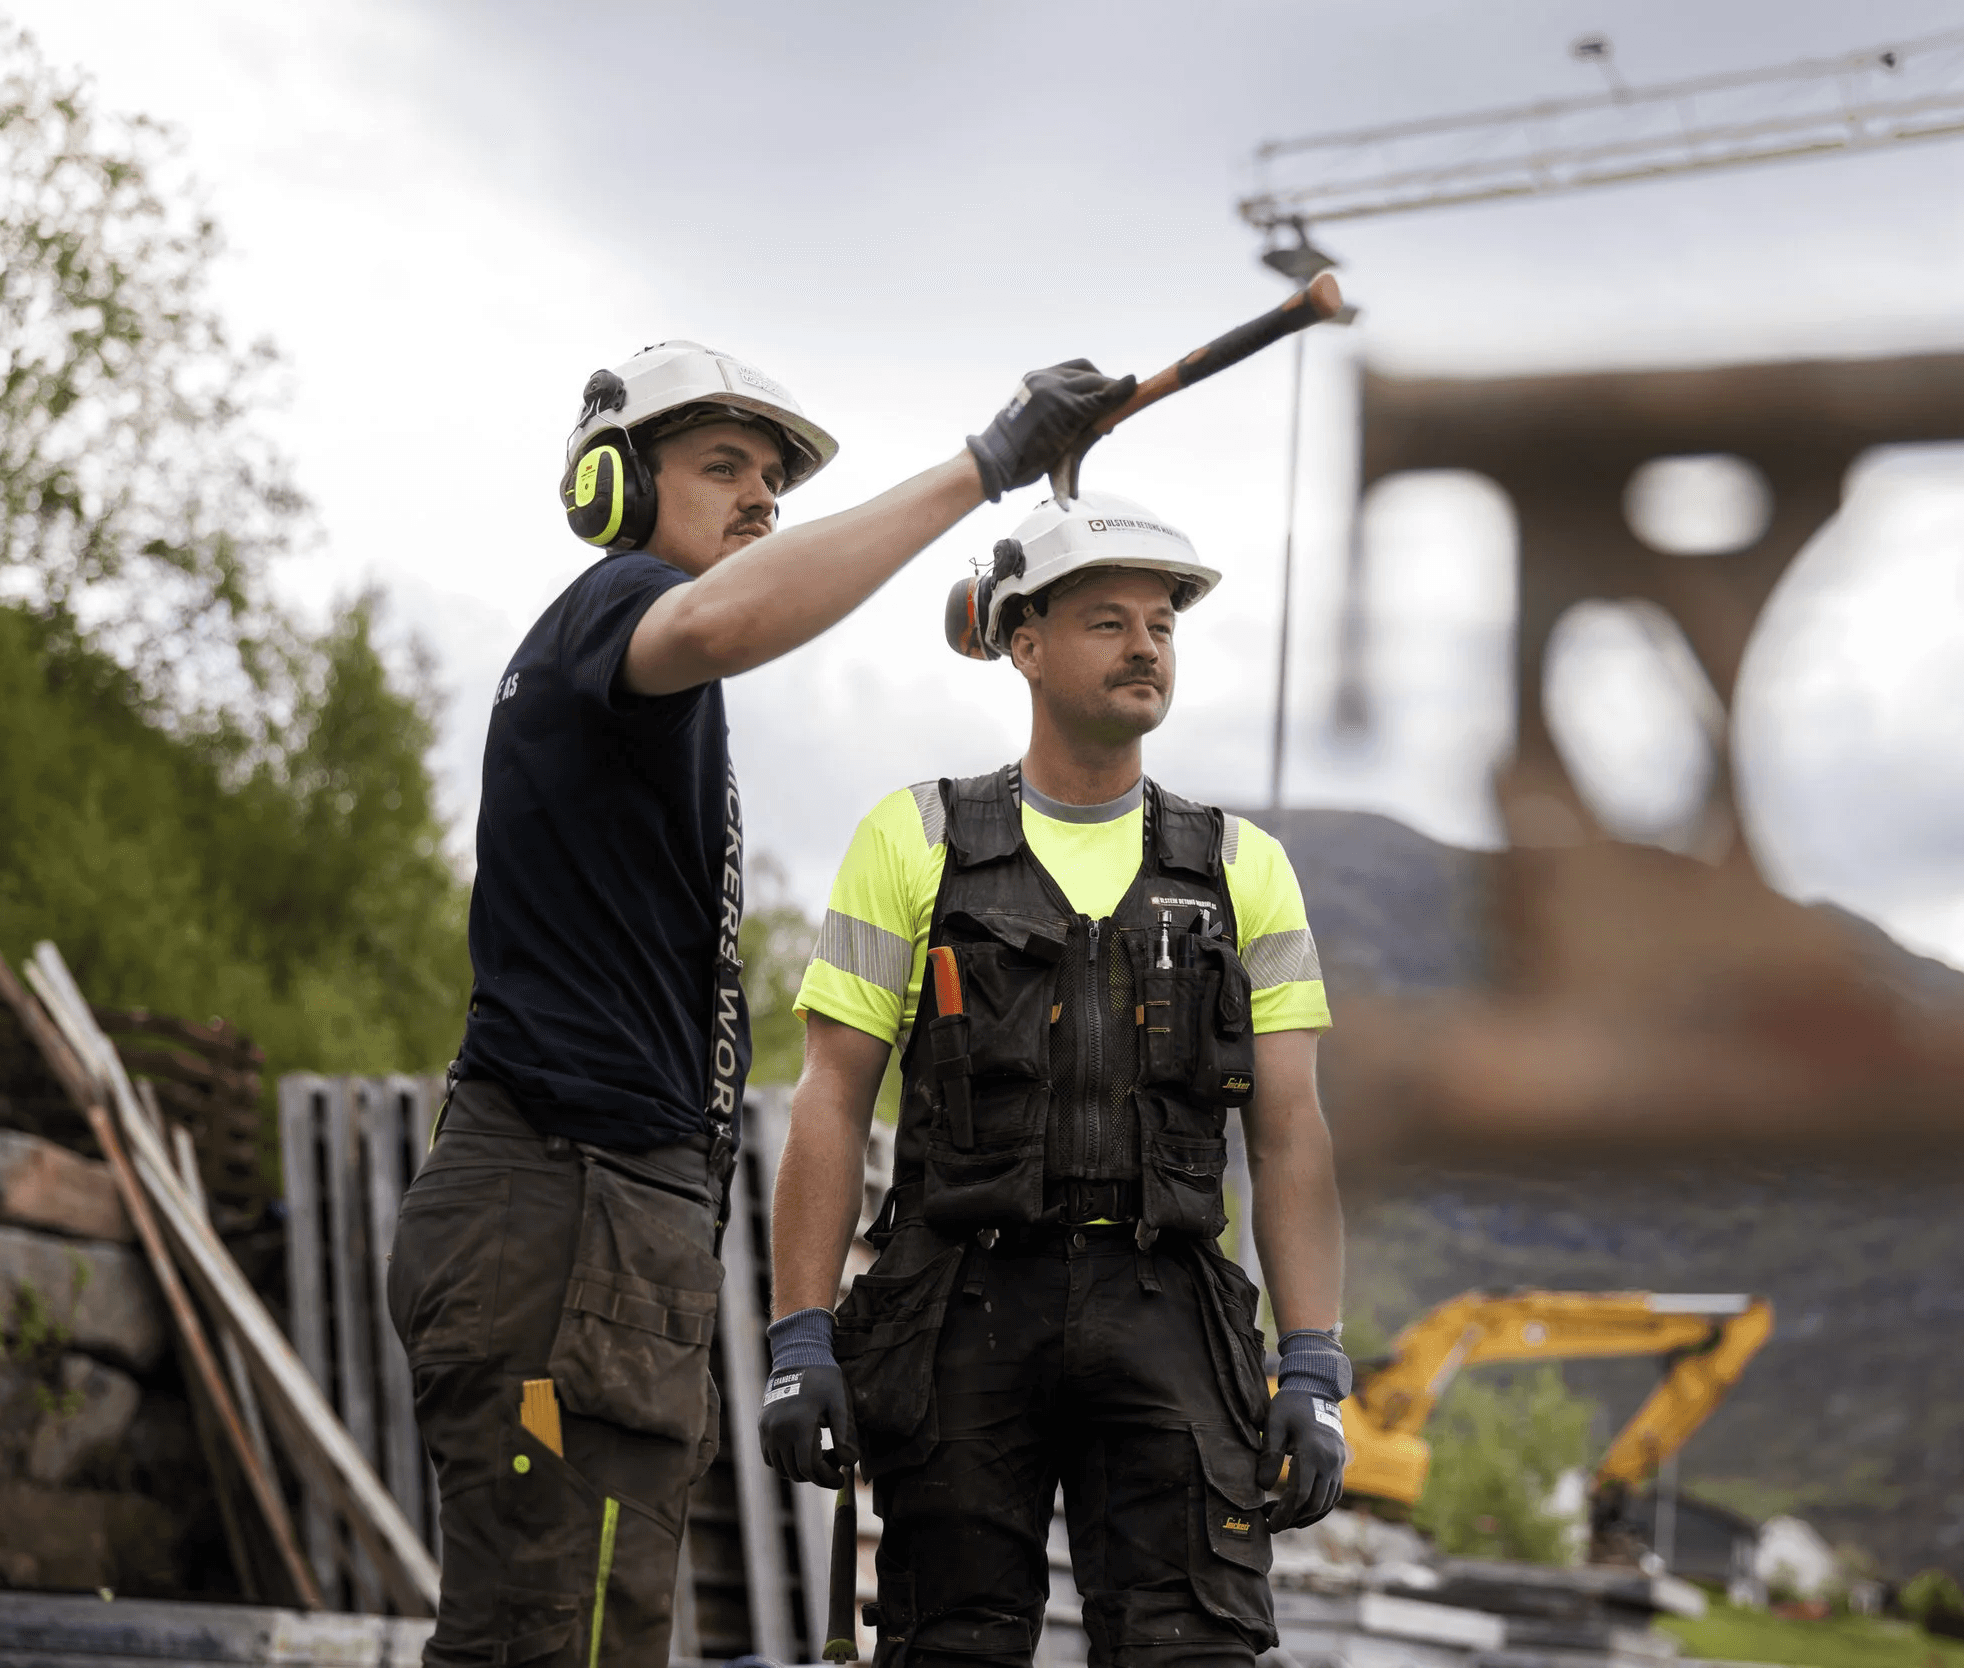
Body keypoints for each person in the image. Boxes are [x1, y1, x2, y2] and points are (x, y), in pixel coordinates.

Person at [386, 339, 1134, 1668]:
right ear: (614, 487)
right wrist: (988, 465)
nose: (760, 498)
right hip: (560, 1228)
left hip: (602, 1236)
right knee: (536, 1643)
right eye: (721, 466)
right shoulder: (613, 605)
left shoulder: (655, 696)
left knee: (594, 1632)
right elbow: (726, 616)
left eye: (773, 480)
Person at [762, 492, 1352, 1668]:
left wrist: (1315, 1362)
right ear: (1021, 643)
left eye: (1162, 625)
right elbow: (830, 1099)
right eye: (1107, 622)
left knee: (1195, 1650)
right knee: (952, 1649)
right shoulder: (914, 839)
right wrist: (800, 1340)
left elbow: (1288, 1133)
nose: (1145, 646)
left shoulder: (1243, 870)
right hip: (962, 1313)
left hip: (1170, 1310)